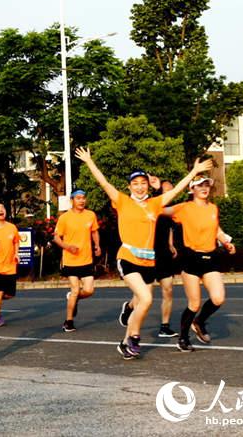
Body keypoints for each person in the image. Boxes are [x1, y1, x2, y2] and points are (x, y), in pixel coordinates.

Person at [74, 146, 212, 360]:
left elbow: (175, 192)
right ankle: (134, 338)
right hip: (128, 258)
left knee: (140, 303)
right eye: (135, 184)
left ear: (148, 185)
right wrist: (89, 162)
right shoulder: (122, 201)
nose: (139, 187)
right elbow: (104, 183)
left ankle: (124, 342)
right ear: (129, 186)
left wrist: (194, 172)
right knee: (146, 298)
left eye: (143, 183)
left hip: (148, 261)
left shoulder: (155, 204)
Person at [163, 175, 236, 352]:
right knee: (194, 303)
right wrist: (160, 192)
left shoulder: (213, 208)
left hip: (211, 257)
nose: (204, 188)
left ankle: (199, 321)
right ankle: (183, 337)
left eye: (206, 185)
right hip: (191, 258)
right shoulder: (184, 208)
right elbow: (159, 210)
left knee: (218, 298)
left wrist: (226, 241)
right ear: (192, 189)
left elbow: (216, 228)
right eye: (199, 185)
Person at [52, 190, 101, 332]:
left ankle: (75, 298)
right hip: (70, 260)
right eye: (78, 198)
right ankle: (68, 321)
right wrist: (68, 247)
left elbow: (94, 231)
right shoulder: (65, 218)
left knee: (89, 290)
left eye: (83, 198)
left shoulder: (90, 215)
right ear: (72, 200)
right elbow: (56, 237)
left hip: (86, 259)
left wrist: (97, 245)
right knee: (75, 290)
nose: (81, 201)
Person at [154, 180, 181, 338]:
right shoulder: (153, 205)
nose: (171, 193)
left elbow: (170, 228)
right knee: (144, 294)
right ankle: (130, 308)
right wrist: (157, 189)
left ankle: (164, 326)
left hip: (164, 253)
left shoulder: (171, 210)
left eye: (173, 190)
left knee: (168, 289)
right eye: (168, 190)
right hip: (149, 254)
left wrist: (171, 244)